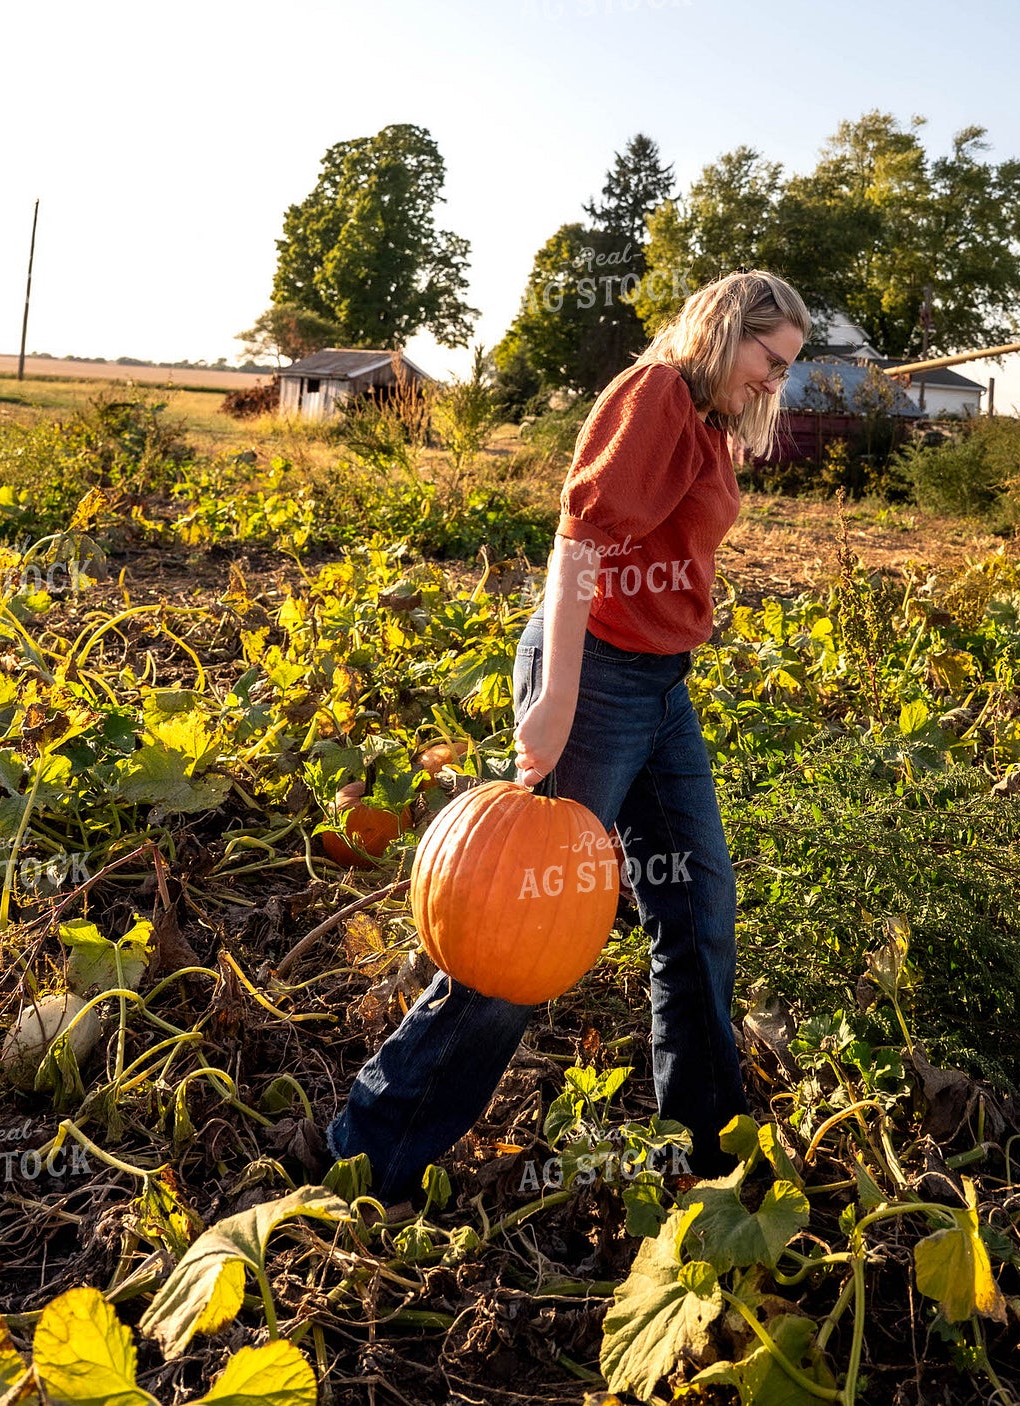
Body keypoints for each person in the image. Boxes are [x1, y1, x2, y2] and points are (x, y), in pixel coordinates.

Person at [324, 270, 812, 1208]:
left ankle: (709, 1159)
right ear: (721, 331)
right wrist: (557, 694)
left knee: (698, 909)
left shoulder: (706, 420)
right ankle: (368, 1154)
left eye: (787, 368)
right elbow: (577, 541)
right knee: (517, 939)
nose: (773, 381)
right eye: (768, 358)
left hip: (661, 688)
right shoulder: (658, 393)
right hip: (597, 681)